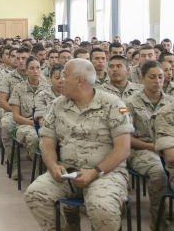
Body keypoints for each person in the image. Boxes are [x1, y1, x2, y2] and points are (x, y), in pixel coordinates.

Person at [24, 59, 134, 231]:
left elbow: (123, 148)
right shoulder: (57, 105)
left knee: (102, 207)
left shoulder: (112, 104)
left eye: (65, 76)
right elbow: (47, 142)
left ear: (80, 80)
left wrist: (94, 172)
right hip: (68, 173)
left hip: (105, 174)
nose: (60, 80)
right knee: (35, 194)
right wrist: (53, 166)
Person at [125, 60, 172, 230]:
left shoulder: (171, 102)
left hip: (168, 149)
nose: (158, 81)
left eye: (160, 77)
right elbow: (126, 138)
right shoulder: (130, 103)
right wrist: (154, 147)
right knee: (159, 172)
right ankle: (159, 222)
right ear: (141, 78)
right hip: (140, 150)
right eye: (152, 77)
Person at [9, 56, 50, 170]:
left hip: (44, 124)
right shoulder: (19, 88)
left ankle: (44, 170)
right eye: (32, 68)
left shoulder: (47, 88)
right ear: (26, 70)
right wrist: (33, 123)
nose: (35, 71)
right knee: (35, 138)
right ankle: (39, 170)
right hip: (25, 124)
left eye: (38, 68)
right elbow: (16, 116)